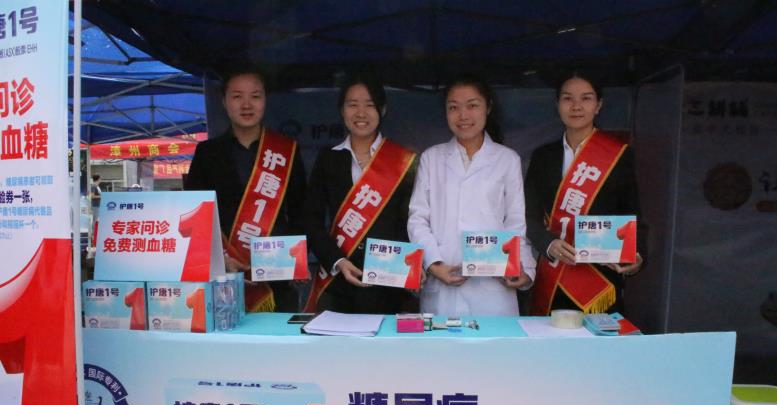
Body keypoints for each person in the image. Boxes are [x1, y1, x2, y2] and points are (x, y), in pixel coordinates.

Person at [407, 73, 535, 316]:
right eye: (453, 107)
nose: (463, 116)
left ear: (488, 107)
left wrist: (523, 268)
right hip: (442, 286)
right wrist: (434, 264)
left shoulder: (507, 159)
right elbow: (417, 218)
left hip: (493, 290)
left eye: (472, 106)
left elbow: (516, 222)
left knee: (493, 341)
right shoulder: (431, 158)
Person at [185, 65, 306, 312]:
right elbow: (196, 217)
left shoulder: (285, 151)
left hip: (277, 278)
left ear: (265, 100)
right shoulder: (207, 153)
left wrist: (294, 260)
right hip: (225, 277)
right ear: (224, 102)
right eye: (237, 96)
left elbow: (300, 213)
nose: (247, 105)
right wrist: (221, 259)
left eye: (255, 96)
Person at [525, 71, 647, 316]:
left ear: (598, 105)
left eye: (586, 98)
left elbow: (632, 213)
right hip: (553, 275)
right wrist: (548, 243)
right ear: (557, 104)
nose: (576, 106)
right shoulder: (543, 157)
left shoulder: (618, 155)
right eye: (568, 98)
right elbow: (527, 215)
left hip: (600, 280)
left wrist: (637, 257)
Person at [303, 72, 416, 314]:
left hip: (388, 283)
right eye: (352, 105)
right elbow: (311, 219)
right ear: (342, 110)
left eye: (369, 105)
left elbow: (411, 222)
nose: (361, 113)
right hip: (338, 283)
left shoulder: (402, 161)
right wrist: (337, 260)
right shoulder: (329, 159)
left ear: (382, 110)